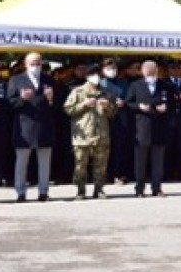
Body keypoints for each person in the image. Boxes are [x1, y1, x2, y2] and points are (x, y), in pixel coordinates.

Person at [7, 51, 58, 202]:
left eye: (38, 63)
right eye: (32, 64)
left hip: (44, 127)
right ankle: (20, 192)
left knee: (44, 162)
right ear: (26, 64)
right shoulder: (16, 80)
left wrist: (50, 99)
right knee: (22, 162)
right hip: (25, 127)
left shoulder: (48, 80)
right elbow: (9, 103)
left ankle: (43, 191)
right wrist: (22, 99)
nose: (35, 66)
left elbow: (58, 105)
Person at [63, 65, 117, 199]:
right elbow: (68, 109)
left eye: (98, 75)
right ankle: (80, 191)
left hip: (101, 134)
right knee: (80, 165)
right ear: (87, 77)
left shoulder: (106, 92)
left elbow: (113, 113)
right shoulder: (78, 91)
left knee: (101, 165)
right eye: (93, 75)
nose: (96, 78)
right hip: (83, 135)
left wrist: (108, 106)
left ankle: (99, 189)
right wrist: (84, 104)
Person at [126, 60, 172, 196]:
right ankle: (139, 188)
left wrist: (166, 107)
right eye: (148, 70)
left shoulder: (164, 85)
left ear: (157, 71)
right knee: (140, 161)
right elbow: (128, 103)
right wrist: (139, 106)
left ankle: (156, 188)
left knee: (158, 161)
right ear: (143, 71)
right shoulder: (136, 85)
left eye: (153, 70)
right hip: (142, 127)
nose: (151, 73)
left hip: (159, 127)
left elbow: (172, 103)